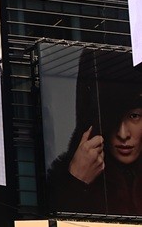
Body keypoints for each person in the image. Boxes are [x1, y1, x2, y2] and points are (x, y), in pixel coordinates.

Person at [47, 48, 142, 215]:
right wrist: (76, 181)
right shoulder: (63, 179)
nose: (123, 134)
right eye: (111, 117)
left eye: (134, 116)